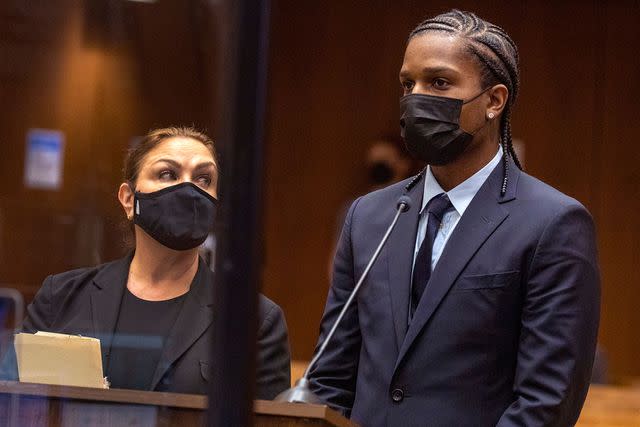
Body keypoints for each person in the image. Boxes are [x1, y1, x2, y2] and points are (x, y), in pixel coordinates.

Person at [308, 10, 599, 427]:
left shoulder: (553, 223)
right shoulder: (369, 216)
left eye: (439, 82)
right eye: (408, 83)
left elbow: (546, 403)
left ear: (494, 101)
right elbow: (330, 377)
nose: (415, 96)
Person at [4, 127, 291, 399]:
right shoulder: (62, 296)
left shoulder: (252, 319)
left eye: (204, 179)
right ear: (129, 199)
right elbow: (12, 402)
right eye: (167, 173)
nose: (188, 188)